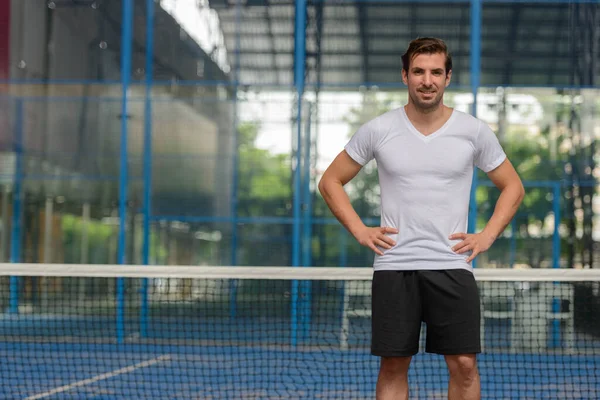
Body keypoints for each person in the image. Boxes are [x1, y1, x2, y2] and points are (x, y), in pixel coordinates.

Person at [318, 37, 525, 400]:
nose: (426, 80)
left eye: (435, 72)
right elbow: (330, 181)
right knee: (393, 365)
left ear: (447, 78)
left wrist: (486, 236)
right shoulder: (379, 129)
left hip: (452, 263)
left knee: (464, 364)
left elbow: (513, 187)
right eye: (418, 71)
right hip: (395, 265)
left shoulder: (473, 131)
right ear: (405, 76)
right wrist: (360, 230)